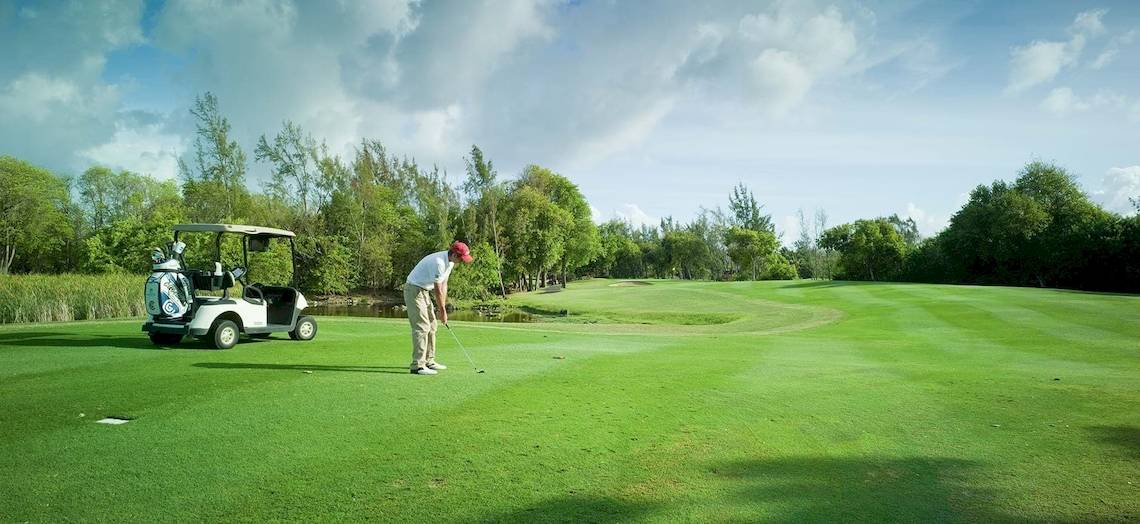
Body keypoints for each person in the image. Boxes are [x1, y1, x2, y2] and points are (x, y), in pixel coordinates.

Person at [404, 241, 473, 375]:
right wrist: (442, 311)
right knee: (422, 326)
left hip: (423, 290)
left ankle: (429, 360)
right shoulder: (439, 263)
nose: (461, 262)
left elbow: (444, 285)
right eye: (460, 258)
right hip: (413, 289)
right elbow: (437, 290)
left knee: (432, 324)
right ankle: (417, 365)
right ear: (453, 254)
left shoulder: (450, 263)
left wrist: (443, 307)